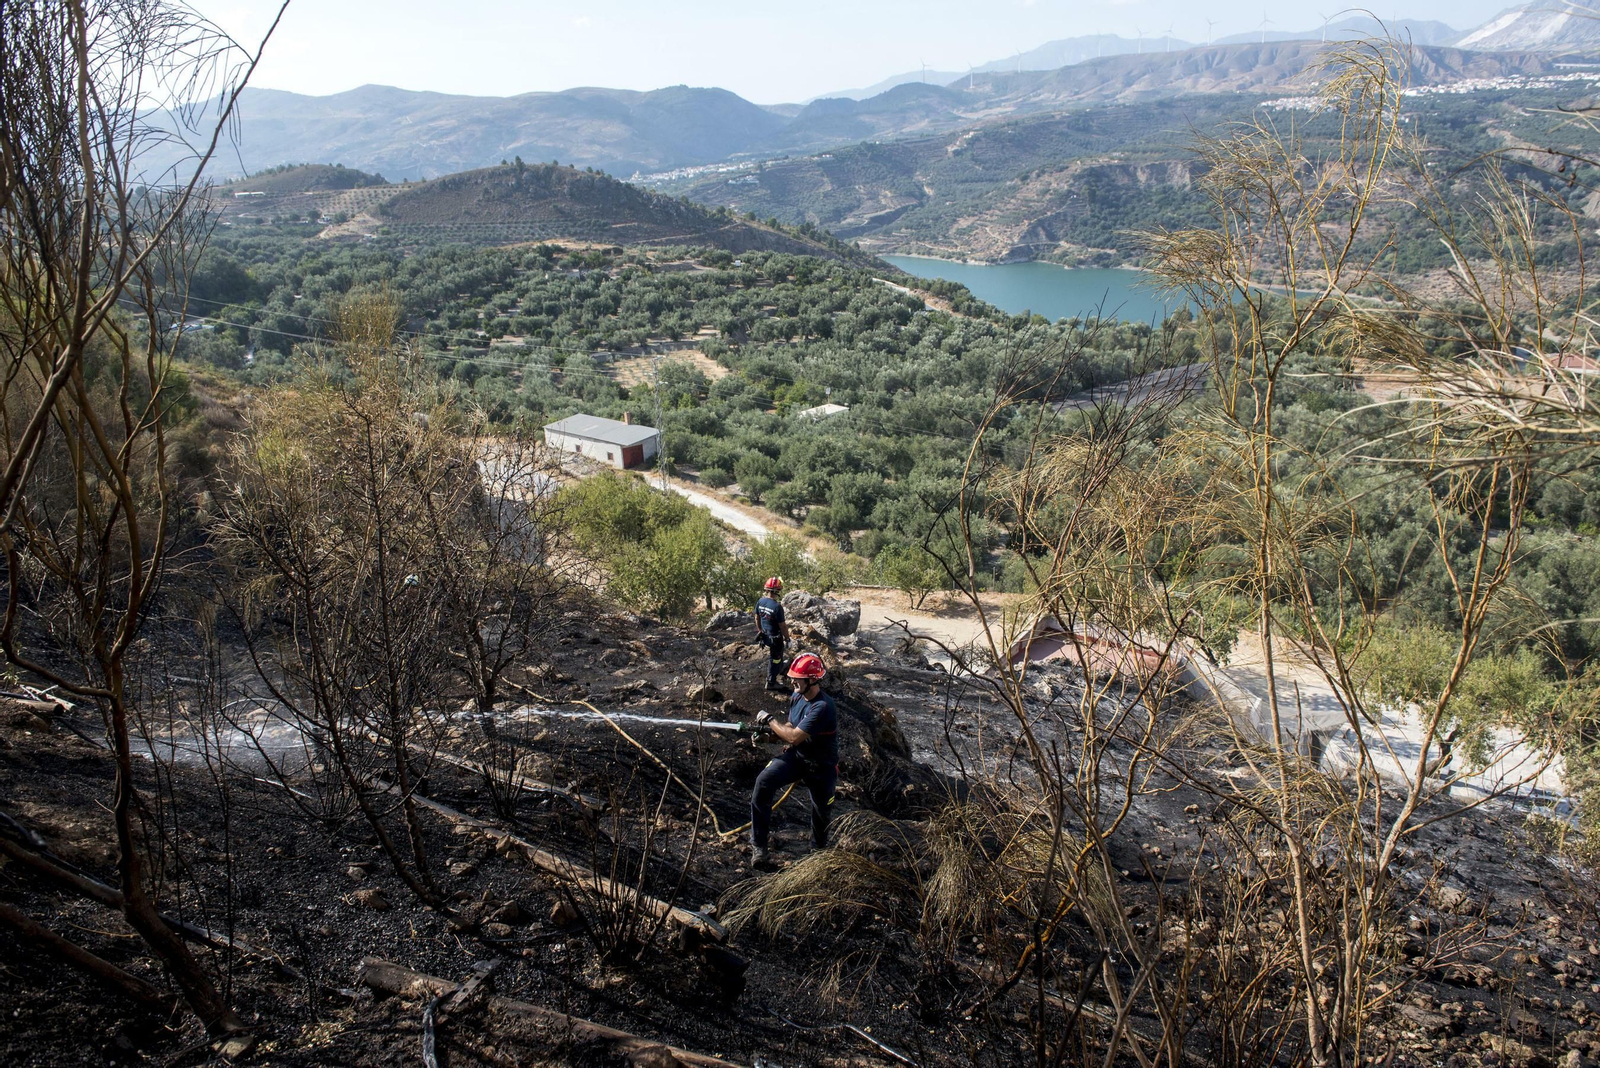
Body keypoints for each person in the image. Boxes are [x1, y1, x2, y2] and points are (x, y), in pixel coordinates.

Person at [749, 653, 837, 868]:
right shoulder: (797, 697)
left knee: (821, 810)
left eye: (797, 677)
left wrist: (770, 721)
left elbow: (794, 737)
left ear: (812, 680)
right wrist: (769, 737)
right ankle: (759, 848)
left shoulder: (822, 707)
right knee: (764, 782)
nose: (792, 681)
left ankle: (817, 856)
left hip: (822, 766)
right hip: (798, 757)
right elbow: (790, 726)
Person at [753, 576, 791, 692]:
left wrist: (760, 630)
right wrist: (788, 639)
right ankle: (771, 682)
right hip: (775, 638)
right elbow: (783, 626)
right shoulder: (777, 607)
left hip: (765, 636)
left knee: (777, 656)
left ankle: (779, 665)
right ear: (778, 591)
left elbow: (756, 617)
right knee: (774, 658)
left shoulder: (760, 601)